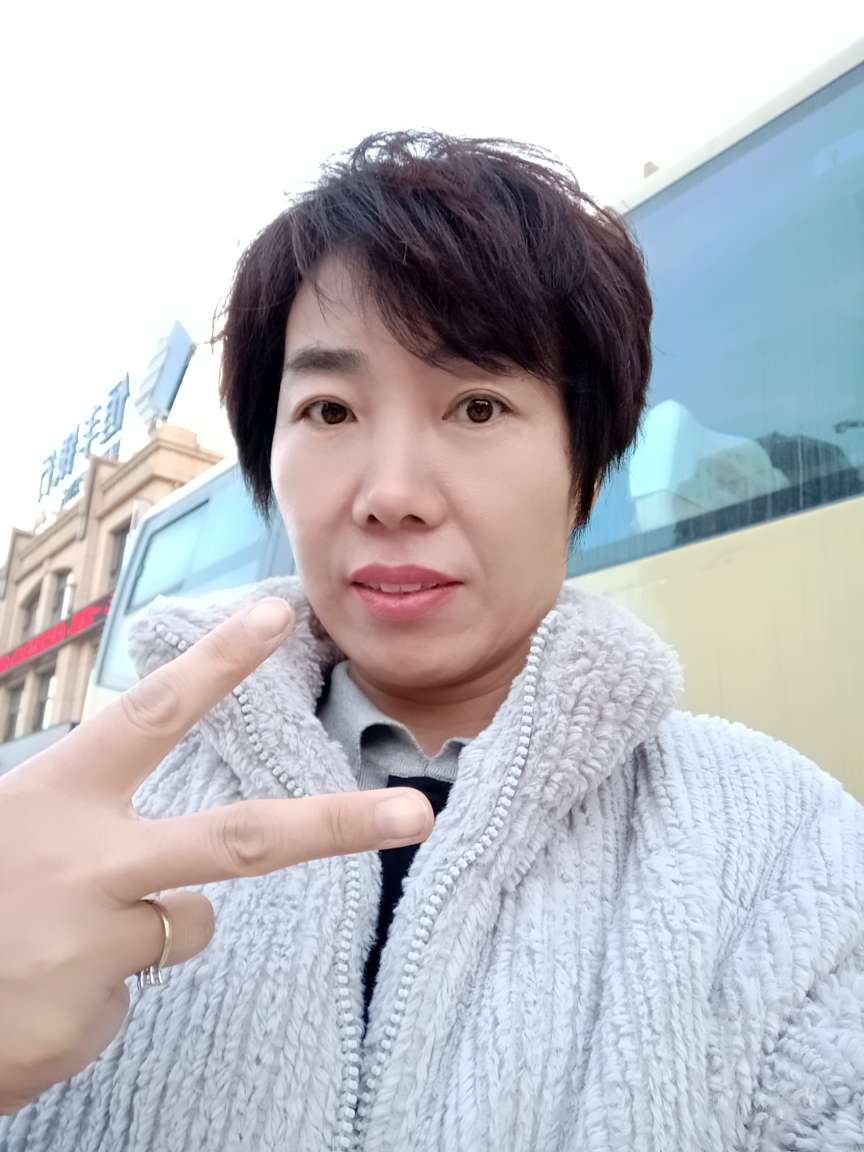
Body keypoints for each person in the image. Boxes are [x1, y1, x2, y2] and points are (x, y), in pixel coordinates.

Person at [1, 131, 862, 1152]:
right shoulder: (68, 827)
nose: (393, 494)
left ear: (587, 469)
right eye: (329, 409)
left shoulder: (780, 843)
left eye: (478, 406)